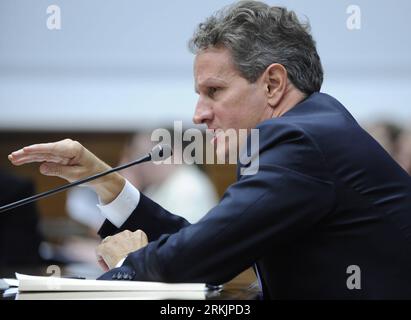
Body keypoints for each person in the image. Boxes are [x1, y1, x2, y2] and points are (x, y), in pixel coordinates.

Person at [7, 1, 411, 299]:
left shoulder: (298, 141)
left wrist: (126, 267)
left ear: (272, 84)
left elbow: (196, 259)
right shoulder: (310, 130)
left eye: (213, 92)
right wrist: (108, 183)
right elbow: (211, 244)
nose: (198, 115)